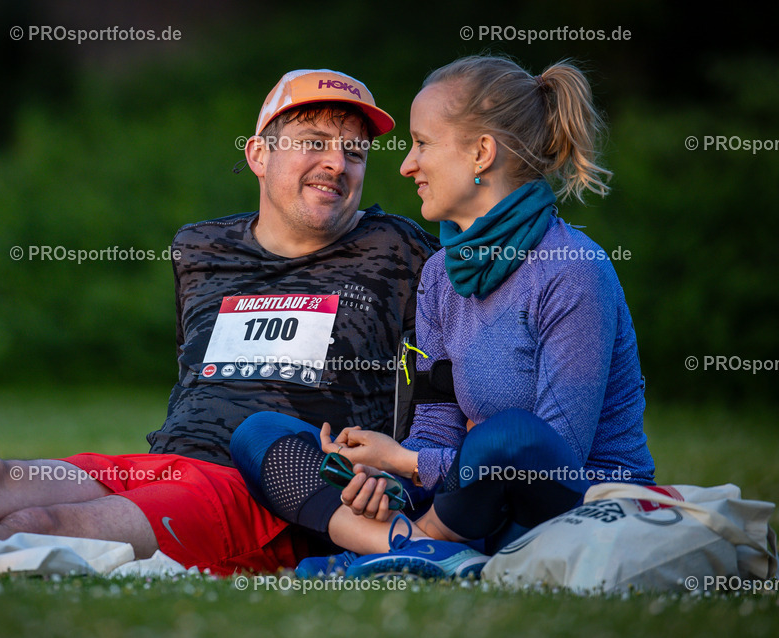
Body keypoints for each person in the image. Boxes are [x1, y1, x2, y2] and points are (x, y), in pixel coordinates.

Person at [0, 69, 440, 575]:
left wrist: (402, 476)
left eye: (355, 151)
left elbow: (448, 381)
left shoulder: (399, 248)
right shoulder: (201, 247)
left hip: (269, 490)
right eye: (313, 141)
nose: (337, 163)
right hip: (164, 459)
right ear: (259, 154)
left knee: (39, 525)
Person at [229, 54, 656, 579]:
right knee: (258, 433)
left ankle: (414, 545)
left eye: (421, 143)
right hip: (468, 504)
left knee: (508, 436)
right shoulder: (439, 276)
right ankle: (420, 546)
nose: (407, 164)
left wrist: (405, 464)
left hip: (570, 508)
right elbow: (436, 428)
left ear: (481, 153)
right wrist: (385, 476)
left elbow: (556, 455)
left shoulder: (572, 270)